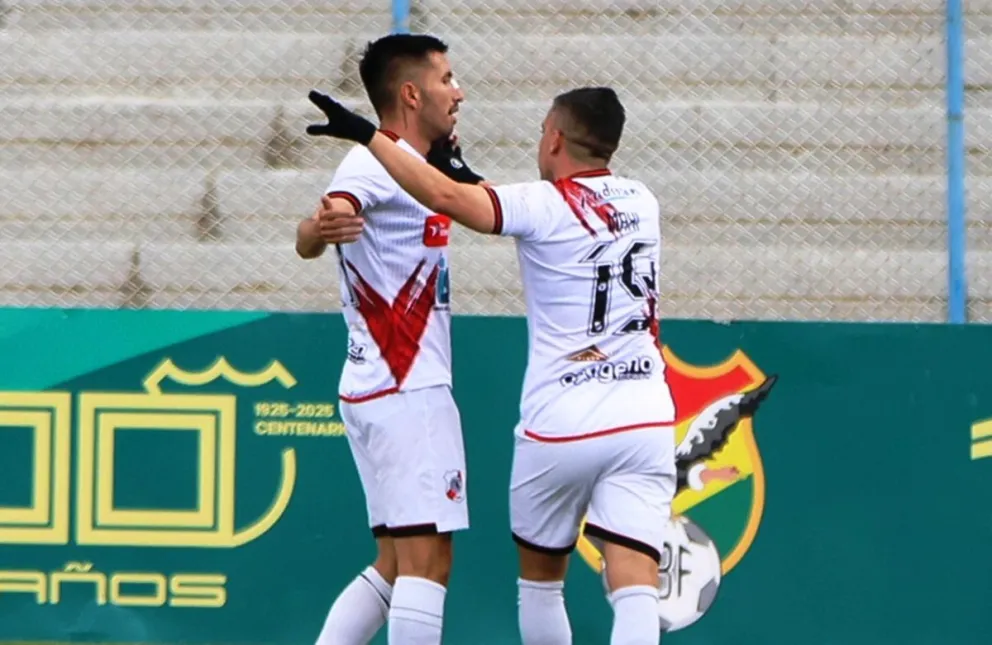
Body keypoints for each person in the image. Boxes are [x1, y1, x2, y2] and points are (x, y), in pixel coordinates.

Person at [305, 85, 678, 645]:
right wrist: (459, 168)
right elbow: (484, 195)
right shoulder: (642, 201)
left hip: (561, 422)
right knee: (635, 580)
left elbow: (457, 202)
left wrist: (368, 135)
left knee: (542, 584)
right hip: (645, 414)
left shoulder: (541, 204)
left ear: (553, 138)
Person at [295, 33, 484, 645]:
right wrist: (322, 225)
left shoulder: (415, 163)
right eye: (447, 79)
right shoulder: (372, 159)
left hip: (379, 387)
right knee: (429, 567)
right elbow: (320, 221)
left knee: (396, 566)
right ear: (411, 93)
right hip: (407, 388)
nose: (458, 91)